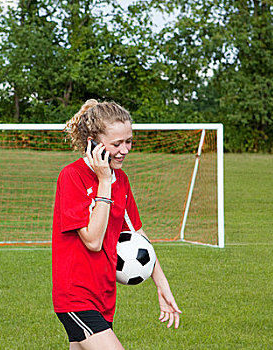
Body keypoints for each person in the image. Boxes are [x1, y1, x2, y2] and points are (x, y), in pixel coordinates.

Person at [52, 99, 181, 349]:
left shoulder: (120, 180)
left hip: (104, 296)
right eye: (116, 144)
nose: (125, 150)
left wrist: (162, 286)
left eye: (129, 141)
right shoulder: (72, 177)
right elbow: (92, 240)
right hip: (75, 296)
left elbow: (138, 236)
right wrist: (103, 181)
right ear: (93, 142)